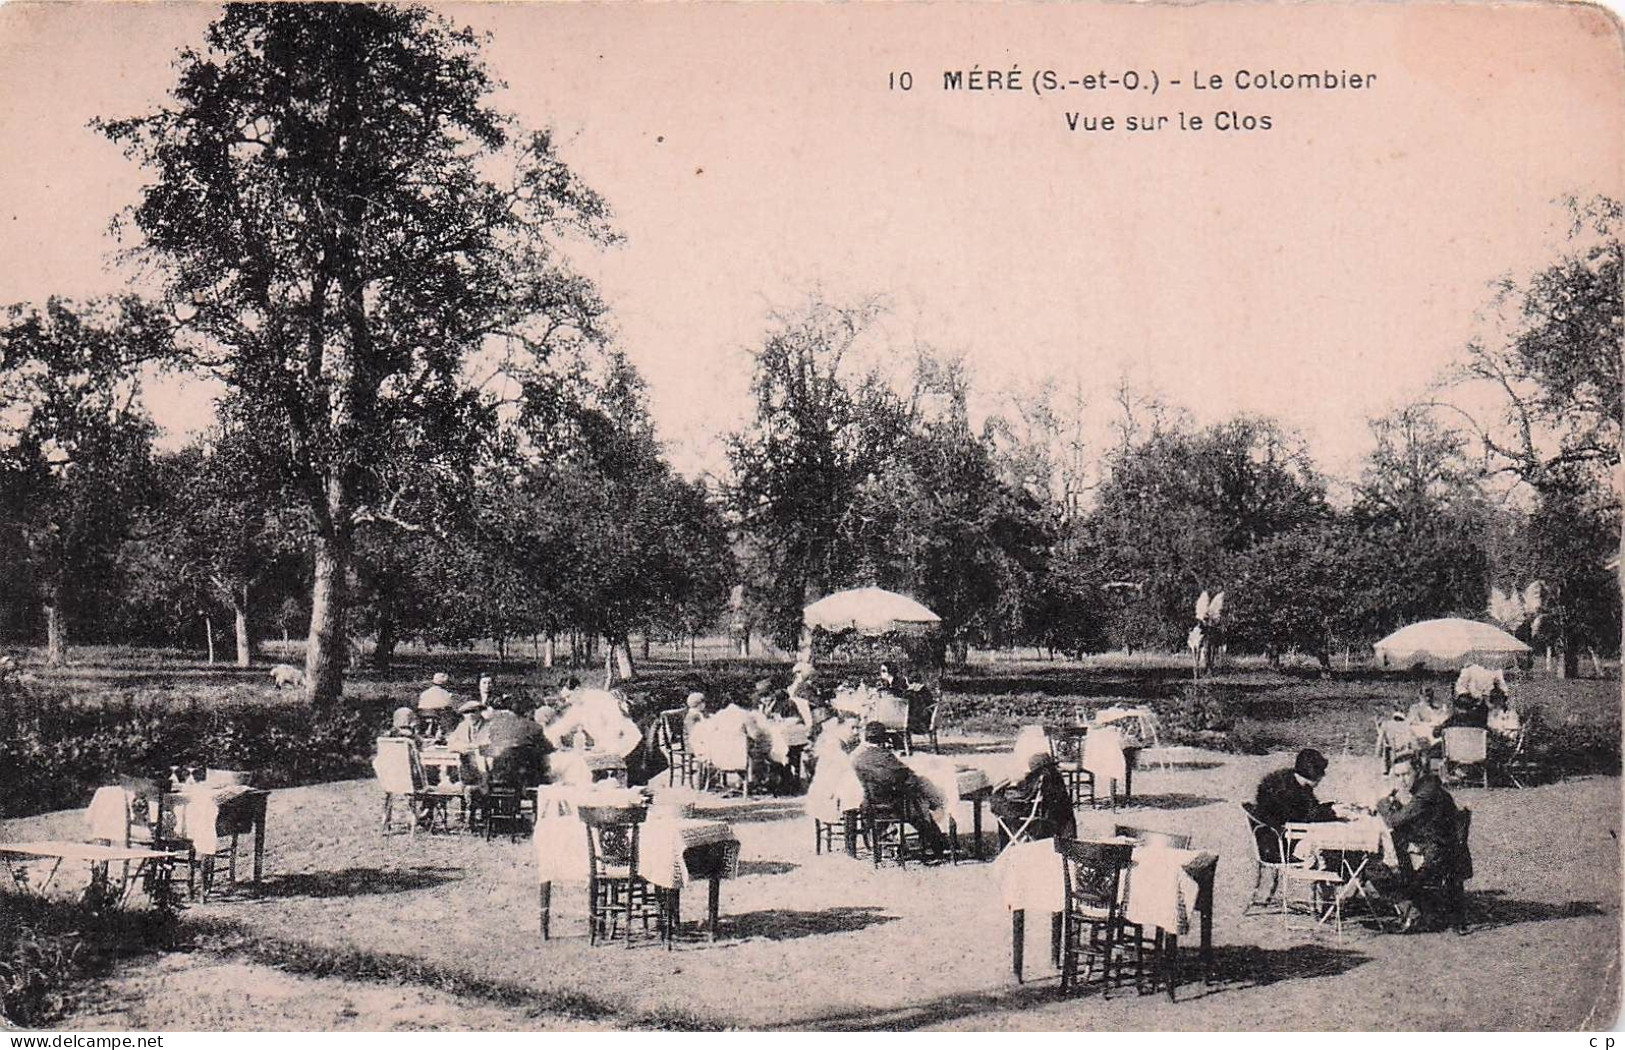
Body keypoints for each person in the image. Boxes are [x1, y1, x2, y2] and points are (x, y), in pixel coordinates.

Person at [1377, 758, 1467, 931]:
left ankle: (1413, 910)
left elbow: (1394, 821)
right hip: (1434, 844)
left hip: (1439, 852)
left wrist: (1383, 802)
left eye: (1406, 774)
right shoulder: (1424, 787)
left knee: (1381, 861)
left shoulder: (1427, 792)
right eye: (1397, 775)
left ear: (1417, 772)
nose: (1402, 780)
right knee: (1394, 847)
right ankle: (1417, 908)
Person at [850, 721, 950, 856]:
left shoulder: (858, 758)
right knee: (919, 806)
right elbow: (910, 779)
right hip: (893, 806)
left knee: (917, 803)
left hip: (871, 806)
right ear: (883, 739)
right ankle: (938, 844)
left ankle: (887, 844)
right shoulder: (886, 757)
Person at [1251, 748, 1338, 862]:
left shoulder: (1290, 783)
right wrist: (1333, 812)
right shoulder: (1287, 793)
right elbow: (1306, 819)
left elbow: (1310, 811)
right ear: (1314, 774)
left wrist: (1331, 807)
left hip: (1277, 838)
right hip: (1281, 847)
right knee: (1334, 843)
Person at [990, 728, 1076, 843]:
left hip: (1026, 808)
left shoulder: (1028, 770)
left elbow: (1003, 784)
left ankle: (1007, 844)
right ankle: (1020, 838)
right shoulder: (1049, 770)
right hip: (1046, 808)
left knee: (996, 799)